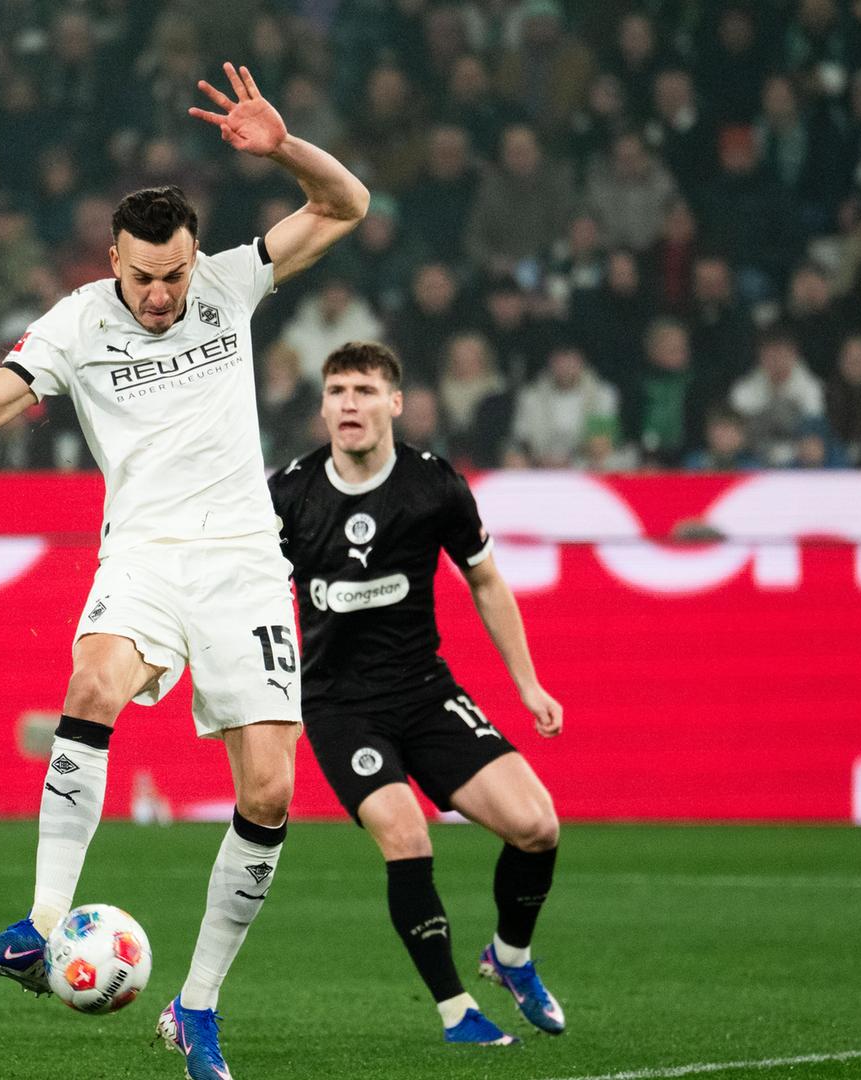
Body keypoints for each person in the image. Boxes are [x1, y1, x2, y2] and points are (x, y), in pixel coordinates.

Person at [0, 61, 367, 1080]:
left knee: (270, 793)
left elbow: (346, 205)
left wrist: (285, 151)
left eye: (174, 274)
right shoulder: (77, 323)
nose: (160, 295)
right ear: (112, 260)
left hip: (240, 564)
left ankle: (196, 1007)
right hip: (142, 555)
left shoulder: (230, 284)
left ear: (192, 256)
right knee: (92, 685)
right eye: (143, 277)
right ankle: (41, 927)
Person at [268, 342, 565, 1049]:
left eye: (365, 390)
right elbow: (246, 595)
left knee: (538, 827)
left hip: (426, 693)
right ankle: (457, 1012)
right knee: (406, 835)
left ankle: (510, 957)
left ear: (395, 404)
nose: (349, 403)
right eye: (337, 391)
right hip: (341, 707)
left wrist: (527, 683)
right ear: (322, 407)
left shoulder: (433, 486)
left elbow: (485, 580)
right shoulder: (290, 495)